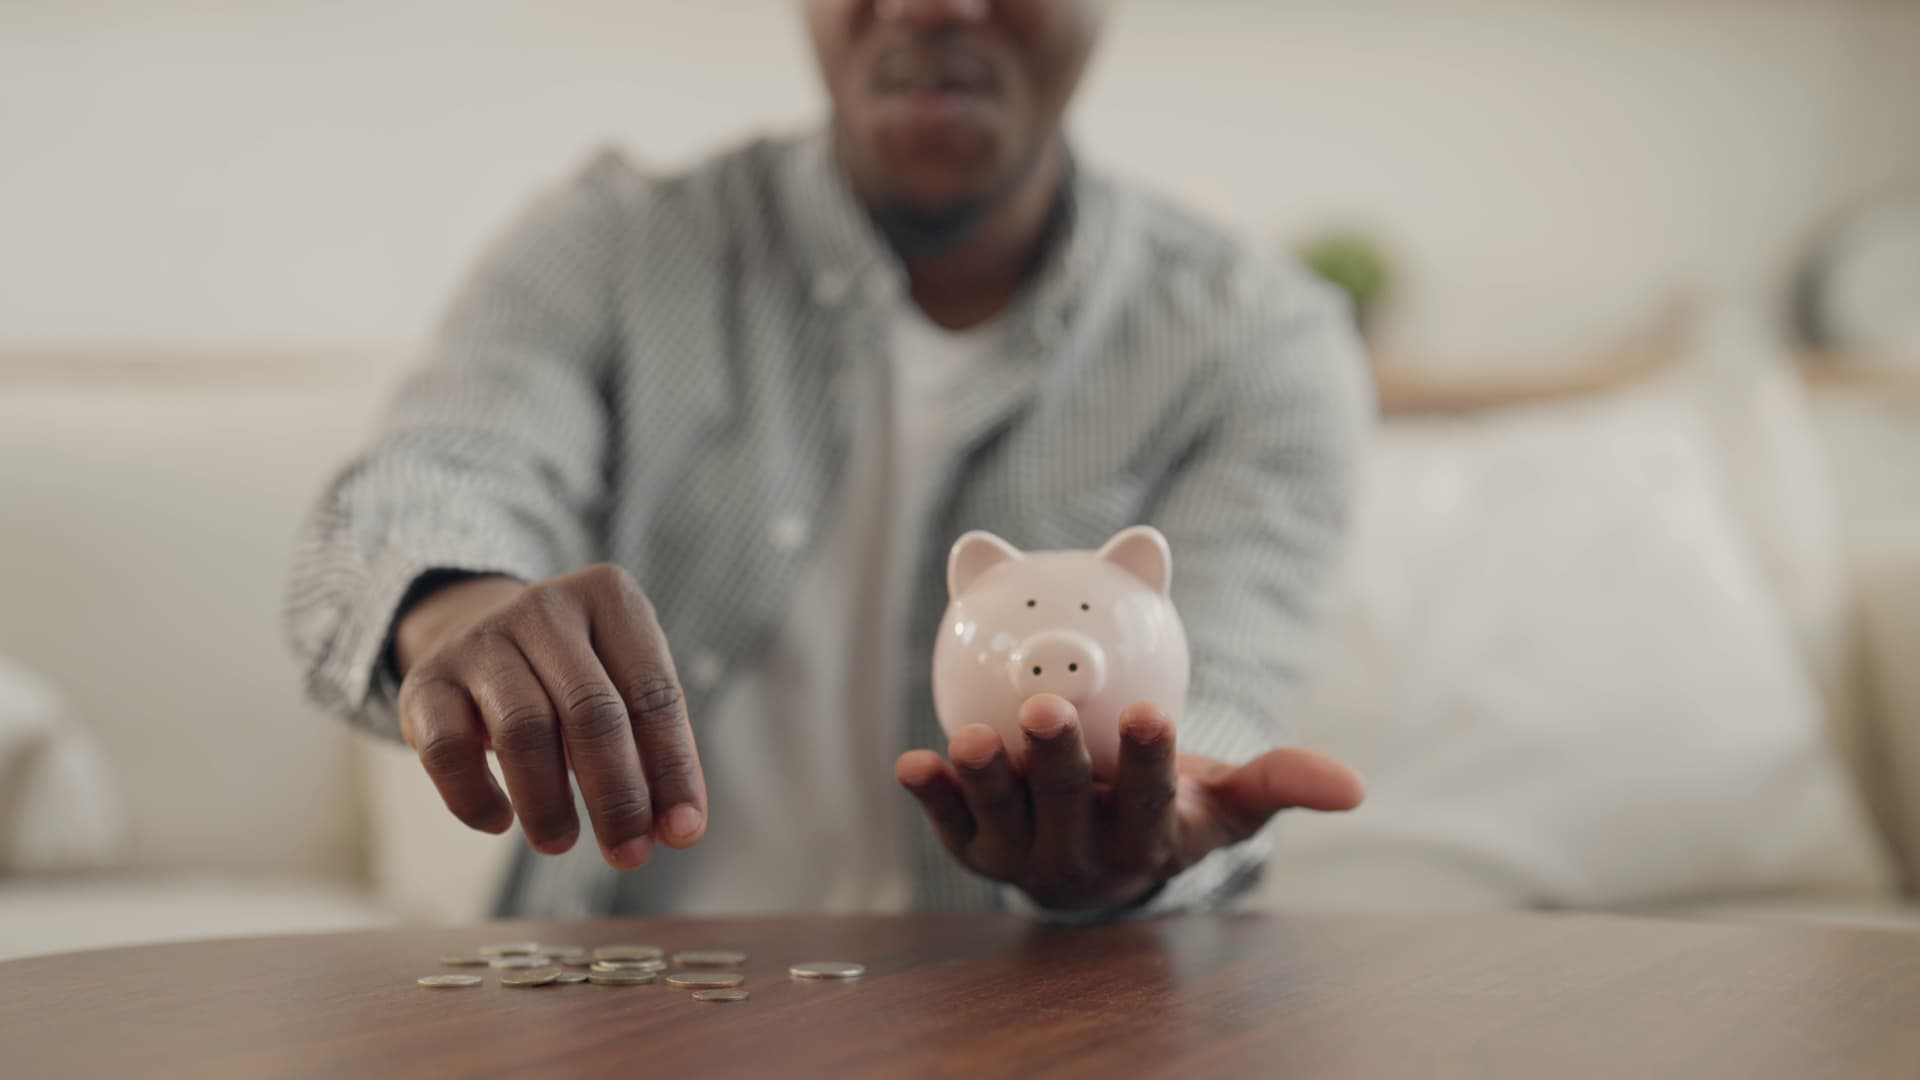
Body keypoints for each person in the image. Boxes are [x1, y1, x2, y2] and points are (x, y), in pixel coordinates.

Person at [285, 0, 1372, 922]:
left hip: (1045, 1029)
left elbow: (1220, 693)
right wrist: (459, 605)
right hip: (619, 1016)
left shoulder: (1259, 343)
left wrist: (1151, 834)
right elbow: (448, 470)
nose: (934, 5)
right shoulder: (612, 250)